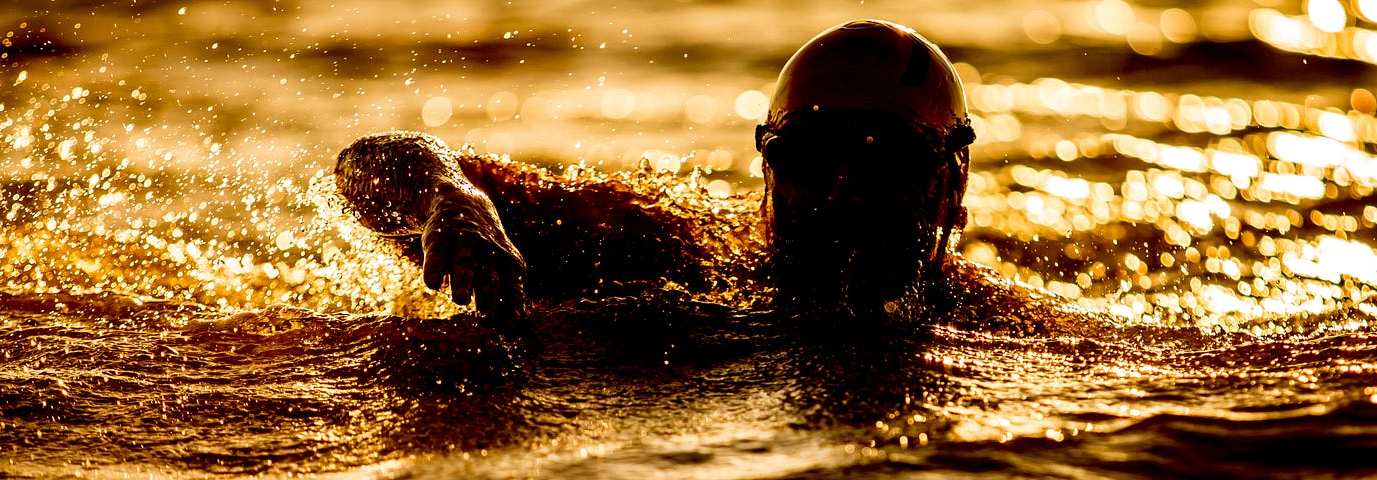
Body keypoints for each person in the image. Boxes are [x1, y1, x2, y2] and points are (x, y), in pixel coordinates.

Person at [334, 20, 1029, 326]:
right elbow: (368, 164)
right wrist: (451, 200)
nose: (842, 188)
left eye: (885, 158)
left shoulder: (1001, 329)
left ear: (950, 184)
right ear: (767, 165)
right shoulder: (662, 245)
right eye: (808, 156)